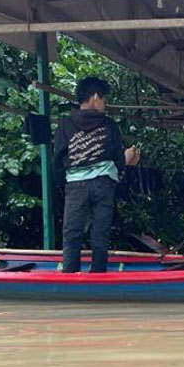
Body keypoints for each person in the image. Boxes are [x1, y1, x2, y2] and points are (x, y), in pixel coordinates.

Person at [53, 76, 140, 273]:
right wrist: (119, 175)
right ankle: (98, 276)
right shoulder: (110, 125)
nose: (105, 104)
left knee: (72, 234)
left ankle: (68, 276)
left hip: (75, 185)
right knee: (100, 235)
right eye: (104, 99)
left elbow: (58, 158)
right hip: (103, 185)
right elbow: (119, 158)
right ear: (94, 97)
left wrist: (64, 185)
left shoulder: (65, 124)